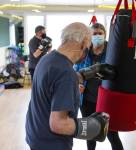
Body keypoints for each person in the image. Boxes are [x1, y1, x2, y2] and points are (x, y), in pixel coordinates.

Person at [25, 22, 110, 150]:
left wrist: (85, 74)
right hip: (53, 144)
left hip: (36, 135)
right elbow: (59, 124)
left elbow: (55, 81)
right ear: (83, 44)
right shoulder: (65, 73)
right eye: (88, 46)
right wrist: (94, 126)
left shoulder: (48, 59)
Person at [74, 23, 124, 150]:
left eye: (100, 33)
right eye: (94, 34)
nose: (97, 36)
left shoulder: (112, 50)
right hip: (86, 99)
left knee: (112, 134)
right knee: (90, 134)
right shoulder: (84, 51)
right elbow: (76, 70)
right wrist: (79, 83)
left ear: (105, 34)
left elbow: (119, 72)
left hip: (107, 100)